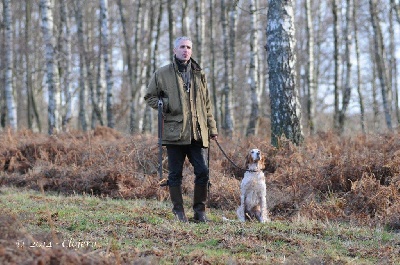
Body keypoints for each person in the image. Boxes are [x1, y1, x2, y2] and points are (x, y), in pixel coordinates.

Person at [144, 36, 218, 222]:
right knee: (175, 174)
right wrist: (166, 104)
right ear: (175, 50)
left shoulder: (199, 74)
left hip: (197, 133)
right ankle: (179, 212)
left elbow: (207, 104)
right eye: (182, 47)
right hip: (174, 134)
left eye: (189, 47)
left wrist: (212, 128)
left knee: (203, 172)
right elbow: (149, 97)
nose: (186, 50)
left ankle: (200, 212)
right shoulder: (162, 73)